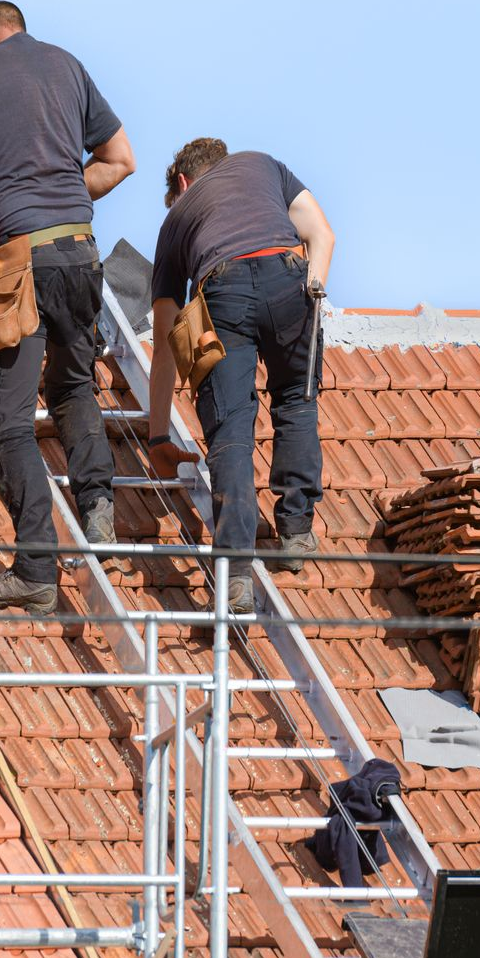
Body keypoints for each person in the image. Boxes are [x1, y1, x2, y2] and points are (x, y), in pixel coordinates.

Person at [0, 1, 135, 615]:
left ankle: (36, 571)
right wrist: (64, 191)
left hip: (22, 263)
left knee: (9, 419)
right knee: (73, 390)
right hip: (81, 253)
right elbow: (122, 160)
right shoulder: (68, 66)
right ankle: (100, 522)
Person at [146, 138, 334, 612]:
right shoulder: (262, 164)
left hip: (223, 286)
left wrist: (156, 436)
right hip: (289, 274)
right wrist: (310, 294)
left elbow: (167, 333)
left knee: (230, 425)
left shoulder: (177, 218)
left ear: (183, 183)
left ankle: (234, 573)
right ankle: (295, 533)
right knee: (295, 396)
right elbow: (323, 236)